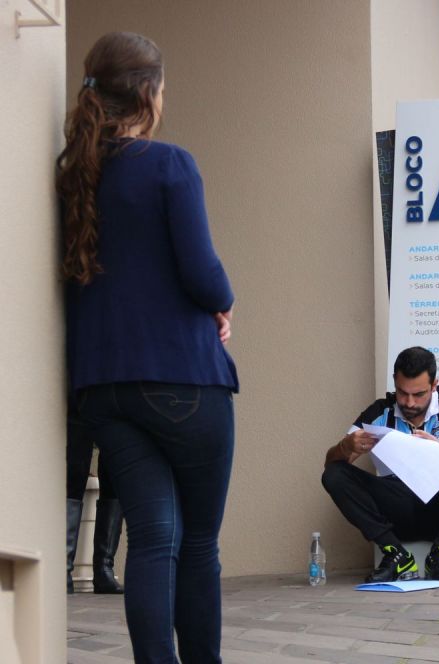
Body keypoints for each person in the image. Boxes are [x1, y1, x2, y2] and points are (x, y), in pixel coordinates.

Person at [60, 32, 238, 662]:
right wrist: (223, 301)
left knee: (153, 541)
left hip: (104, 388)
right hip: (183, 381)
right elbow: (203, 275)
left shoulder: (72, 173)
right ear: (148, 93)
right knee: (196, 545)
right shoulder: (169, 164)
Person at [321, 347, 439, 585]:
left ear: (434, 385)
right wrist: (346, 445)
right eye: (402, 393)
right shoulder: (379, 411)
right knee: (334, 475)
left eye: (419, 394)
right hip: (399, 510)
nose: (410, 402)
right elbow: (333, 465)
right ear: (395, 382)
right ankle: (396, 554)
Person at [66, 417, 123, 595]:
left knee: (114, 473)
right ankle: (63, 568)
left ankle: (104, 568)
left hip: (114, 402)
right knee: (75, 469)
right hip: (81, 398)